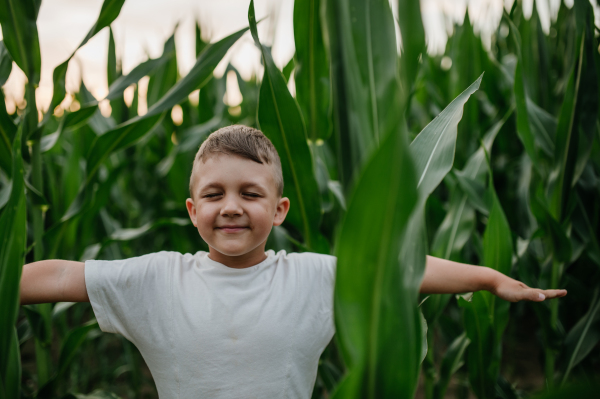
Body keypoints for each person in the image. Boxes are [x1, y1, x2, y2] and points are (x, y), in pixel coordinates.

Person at [20, 125, 567, 398]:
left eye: (250, 194)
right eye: (214, 195)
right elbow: (68, 273)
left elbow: (398, 266)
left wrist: (491, 278)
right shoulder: (159, 277)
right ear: (192, 210)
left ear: (279, 209)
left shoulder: (312, 276)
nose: (231, 207)